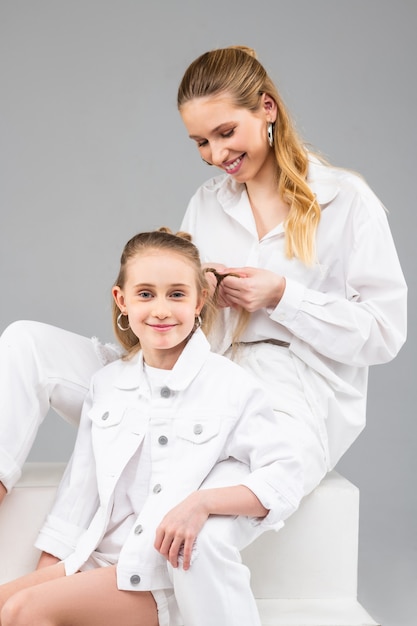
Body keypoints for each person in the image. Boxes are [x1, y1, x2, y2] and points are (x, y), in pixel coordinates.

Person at [0, 44, 407, 623]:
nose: (216, 155)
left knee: (202, 536)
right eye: (200, 142)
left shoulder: (346, 201)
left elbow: (384, 333)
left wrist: (282, 297)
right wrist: (192, 296)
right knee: (25, 344)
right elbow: (178, 306)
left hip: (287, 395)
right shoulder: (207, 204)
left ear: (266, 108)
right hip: (192, 367)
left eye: (225, 132)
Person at [0, 228, 303, 626]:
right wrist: (46, 579)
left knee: (24, 611)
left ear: (200, 301)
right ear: (121, 301)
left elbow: (284, 477)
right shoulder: (107, 384)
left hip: (152, 580)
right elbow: (79, 496)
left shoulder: (231, 387)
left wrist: (203, 503)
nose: (161, 310)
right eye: (146, 294)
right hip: (92, 561)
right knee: (15, 603)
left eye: (176, 294)